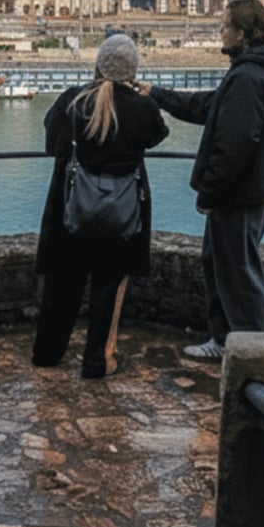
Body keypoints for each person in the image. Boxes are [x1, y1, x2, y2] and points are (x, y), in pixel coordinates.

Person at [137, 0, 264, 360]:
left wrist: (210, 191)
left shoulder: (249, 78)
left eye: (224, 26)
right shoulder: (250, 73)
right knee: (222, 264)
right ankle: (225, 341)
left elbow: (234, 144)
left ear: (240, 32)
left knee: (238, 273)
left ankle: (254, 355)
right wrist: (156, 94)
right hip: (247, 191)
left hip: (239, 194)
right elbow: (209, 107)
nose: (220, 31)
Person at [33, 33, 169, 378]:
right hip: (120, 217)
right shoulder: (143, 108)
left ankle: (47, 353)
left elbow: (52, 144)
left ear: (97, 64)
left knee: (62, 286)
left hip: (71, 213)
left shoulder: (72, 101)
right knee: (107, 287)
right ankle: (96, 360)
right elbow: (157, 134)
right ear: (132, 70)